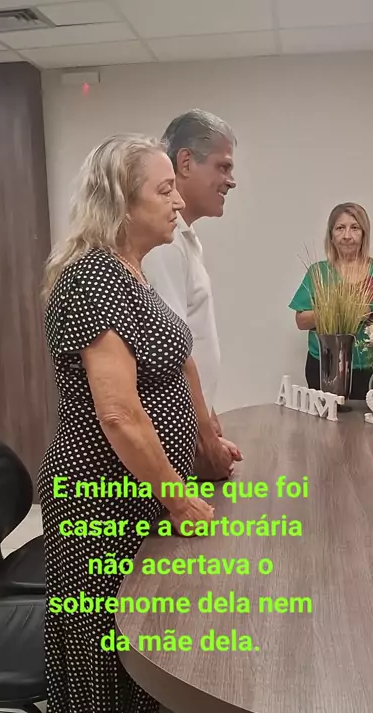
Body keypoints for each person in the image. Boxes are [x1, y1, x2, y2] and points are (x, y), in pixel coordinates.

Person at [37, 134, 217, 713]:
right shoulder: (90, 278)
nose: (177, 201)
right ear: (119, 200)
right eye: (164, 189)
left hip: (133, 492)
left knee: (128, 632)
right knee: (102, 635)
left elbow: (177, 363)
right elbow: (117, 411)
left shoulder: (131, 274)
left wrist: (204, 440)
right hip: (96, 493)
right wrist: (177, 493)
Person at [142, 109, 242, 477]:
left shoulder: (184, 239)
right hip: (172, 441)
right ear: (185, 162)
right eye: (223, 167)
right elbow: (174, 355)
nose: (231, 181)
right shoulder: (164, 245)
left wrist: (208, 417)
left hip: (187, 429)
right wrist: (204, 439)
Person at [289, 202, 373, 399]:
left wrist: (369, 314)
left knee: (368, 419)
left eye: (355, 228)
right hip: (324, 366)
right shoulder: (318, 272)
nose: (347, 235)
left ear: (364, 234)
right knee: (326, 419)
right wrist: (338, 312)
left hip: (371, 368)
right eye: (340, 228)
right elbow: (301, 321)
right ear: (331, 235)